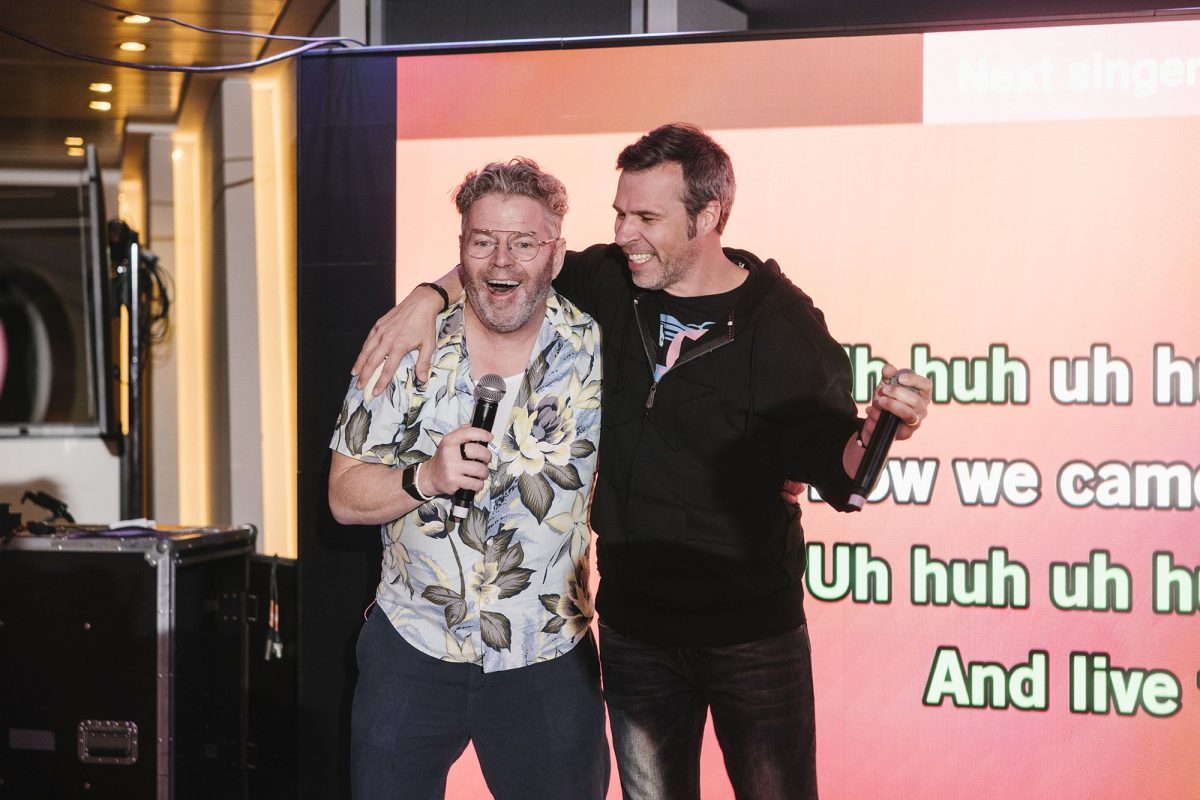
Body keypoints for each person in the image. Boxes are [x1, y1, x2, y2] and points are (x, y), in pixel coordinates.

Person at [351, 124, 931, 800]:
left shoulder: (784, 327)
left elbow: (839, 470)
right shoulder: (612, 280)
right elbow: (509, 261)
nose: (625, 233)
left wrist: (879, 430)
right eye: (620, 213)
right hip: (635, 635)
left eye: (647, 218)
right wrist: (427, 297)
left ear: (707, 217)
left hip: (751, 639)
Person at [328, 158, 608, 800]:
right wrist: (423, 477)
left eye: (524, 243)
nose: (502, 261)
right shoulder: (402, 345)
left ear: (557, 252)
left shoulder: (595, 346)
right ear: (460, 248)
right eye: (483, 242)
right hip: (412, 644)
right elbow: (342, 495)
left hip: (547, 652)